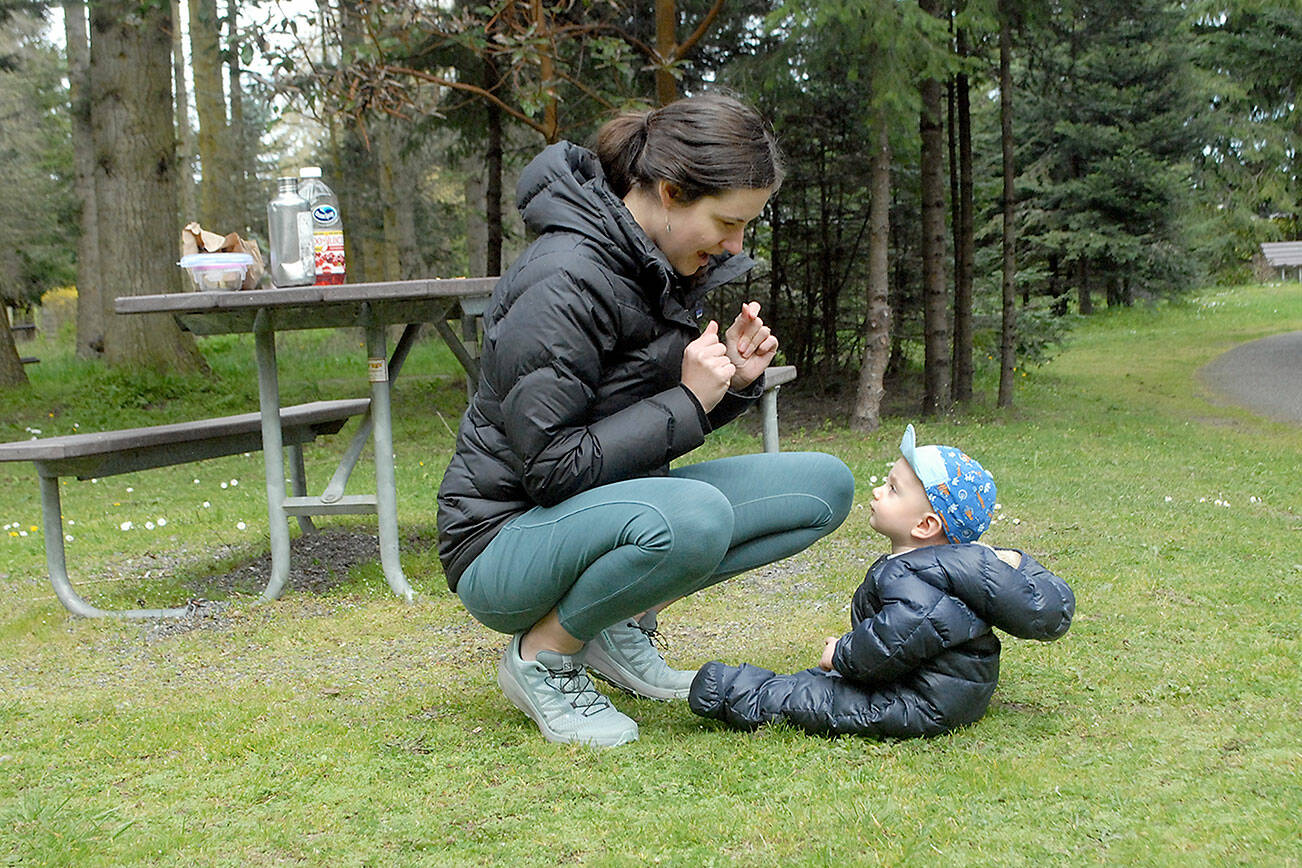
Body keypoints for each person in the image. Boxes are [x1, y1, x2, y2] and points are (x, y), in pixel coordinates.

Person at [436, 93, 856, 747]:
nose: (735, 244)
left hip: (592, 515)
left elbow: (631, 435)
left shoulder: (651, 266)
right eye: (726, 221)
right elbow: (552, 467)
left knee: (821, 489)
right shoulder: (564, 279)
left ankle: (612, 622)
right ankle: (542, 656)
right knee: (695, 516)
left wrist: (730, 390)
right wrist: (688, 399)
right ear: (669, 191)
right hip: (501, 544)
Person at [688, 424, 1075, 738]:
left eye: (893, 489)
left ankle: (729, 690)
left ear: (925, 526)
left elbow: (892, 644)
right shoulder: (934, 565)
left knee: (818, 700)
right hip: (950, 691)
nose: (877, 490)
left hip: (924, 701)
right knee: (829, 689)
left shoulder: (917, 574)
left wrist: (840, 653)